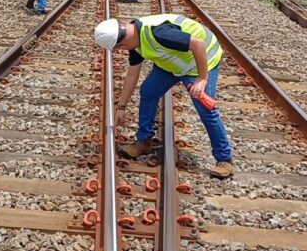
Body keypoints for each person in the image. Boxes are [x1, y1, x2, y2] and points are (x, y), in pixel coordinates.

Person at [93, 15, 234, 179]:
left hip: (201, 61)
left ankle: (225, 159)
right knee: (148, 91)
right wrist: (121, 107)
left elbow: (198, 44)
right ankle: (144, 141)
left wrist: (202, 79)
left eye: (119, 49)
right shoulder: (133, 39)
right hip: (172, 64)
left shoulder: (159, 33)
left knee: (205, 108)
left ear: (121, 44)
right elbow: (132, 75)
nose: (121, 51)